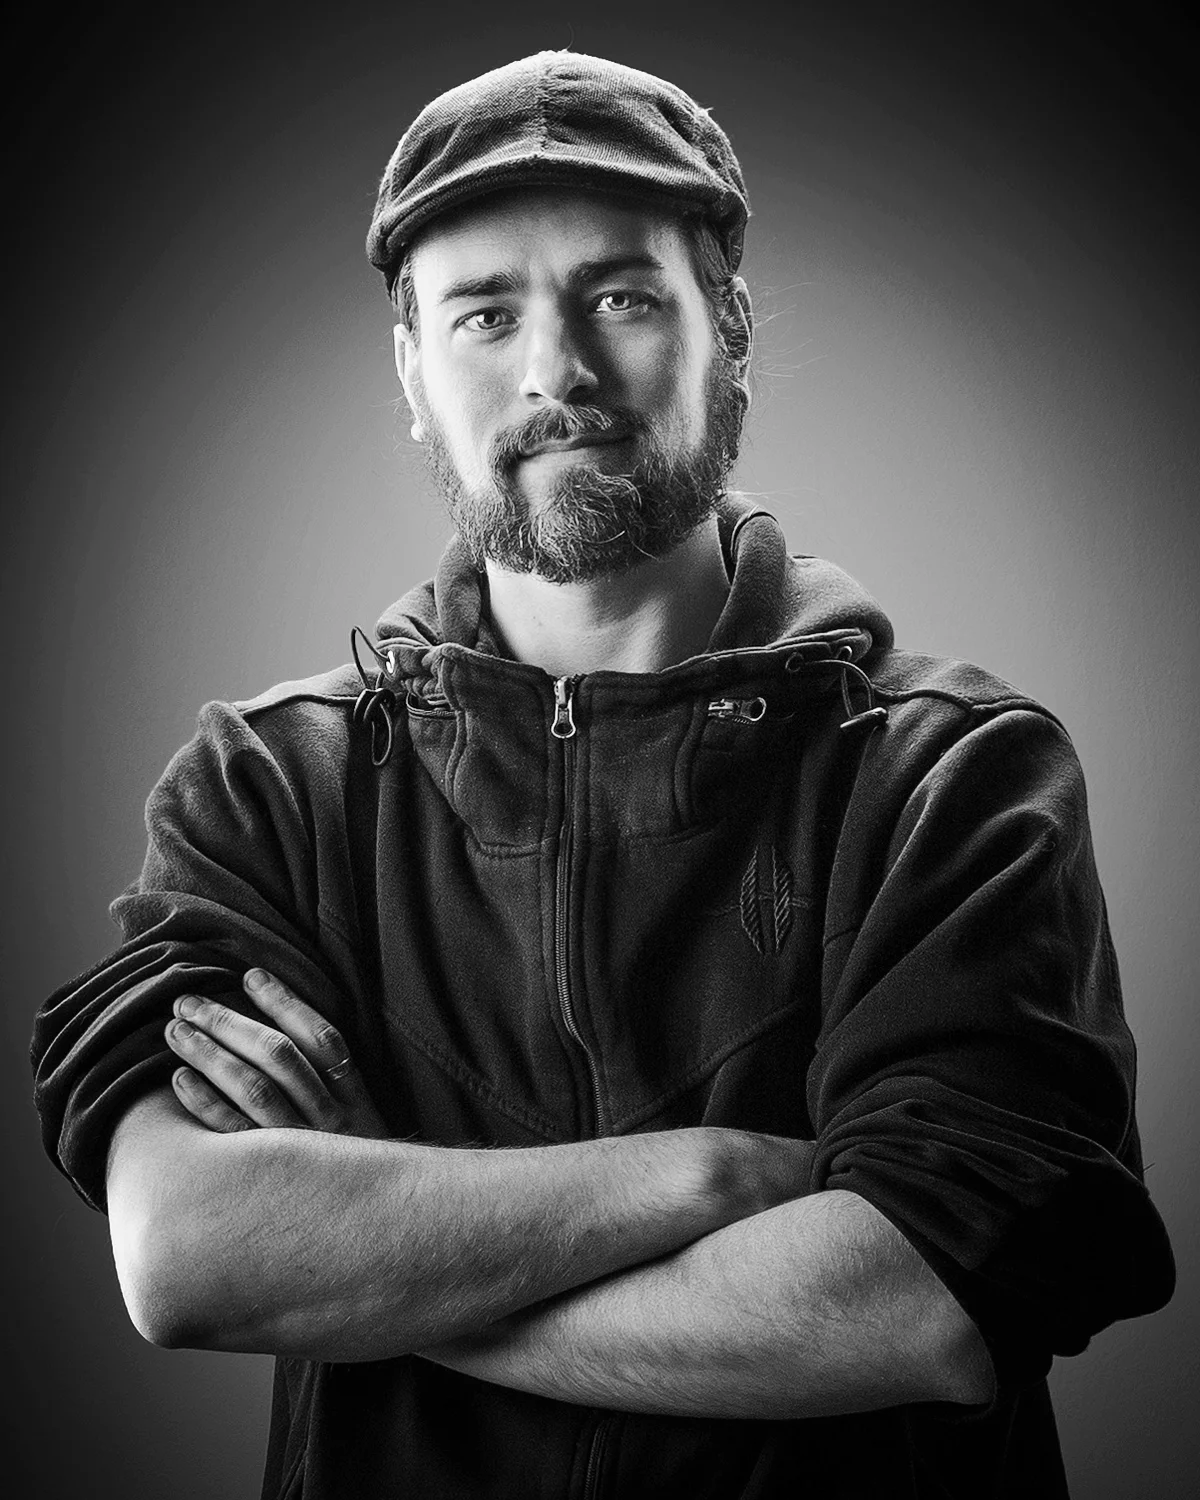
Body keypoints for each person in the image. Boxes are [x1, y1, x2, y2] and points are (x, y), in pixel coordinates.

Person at [31, 49, 1174, 1499]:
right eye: (486, 313)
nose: (554, 372)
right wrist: (719, 1175)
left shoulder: (956, 777)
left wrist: (373, 1246)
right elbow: (192, 1257)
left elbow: (918, 1307)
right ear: (412, 372)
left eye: (621, 298)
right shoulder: (266, 787)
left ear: (728, 328)